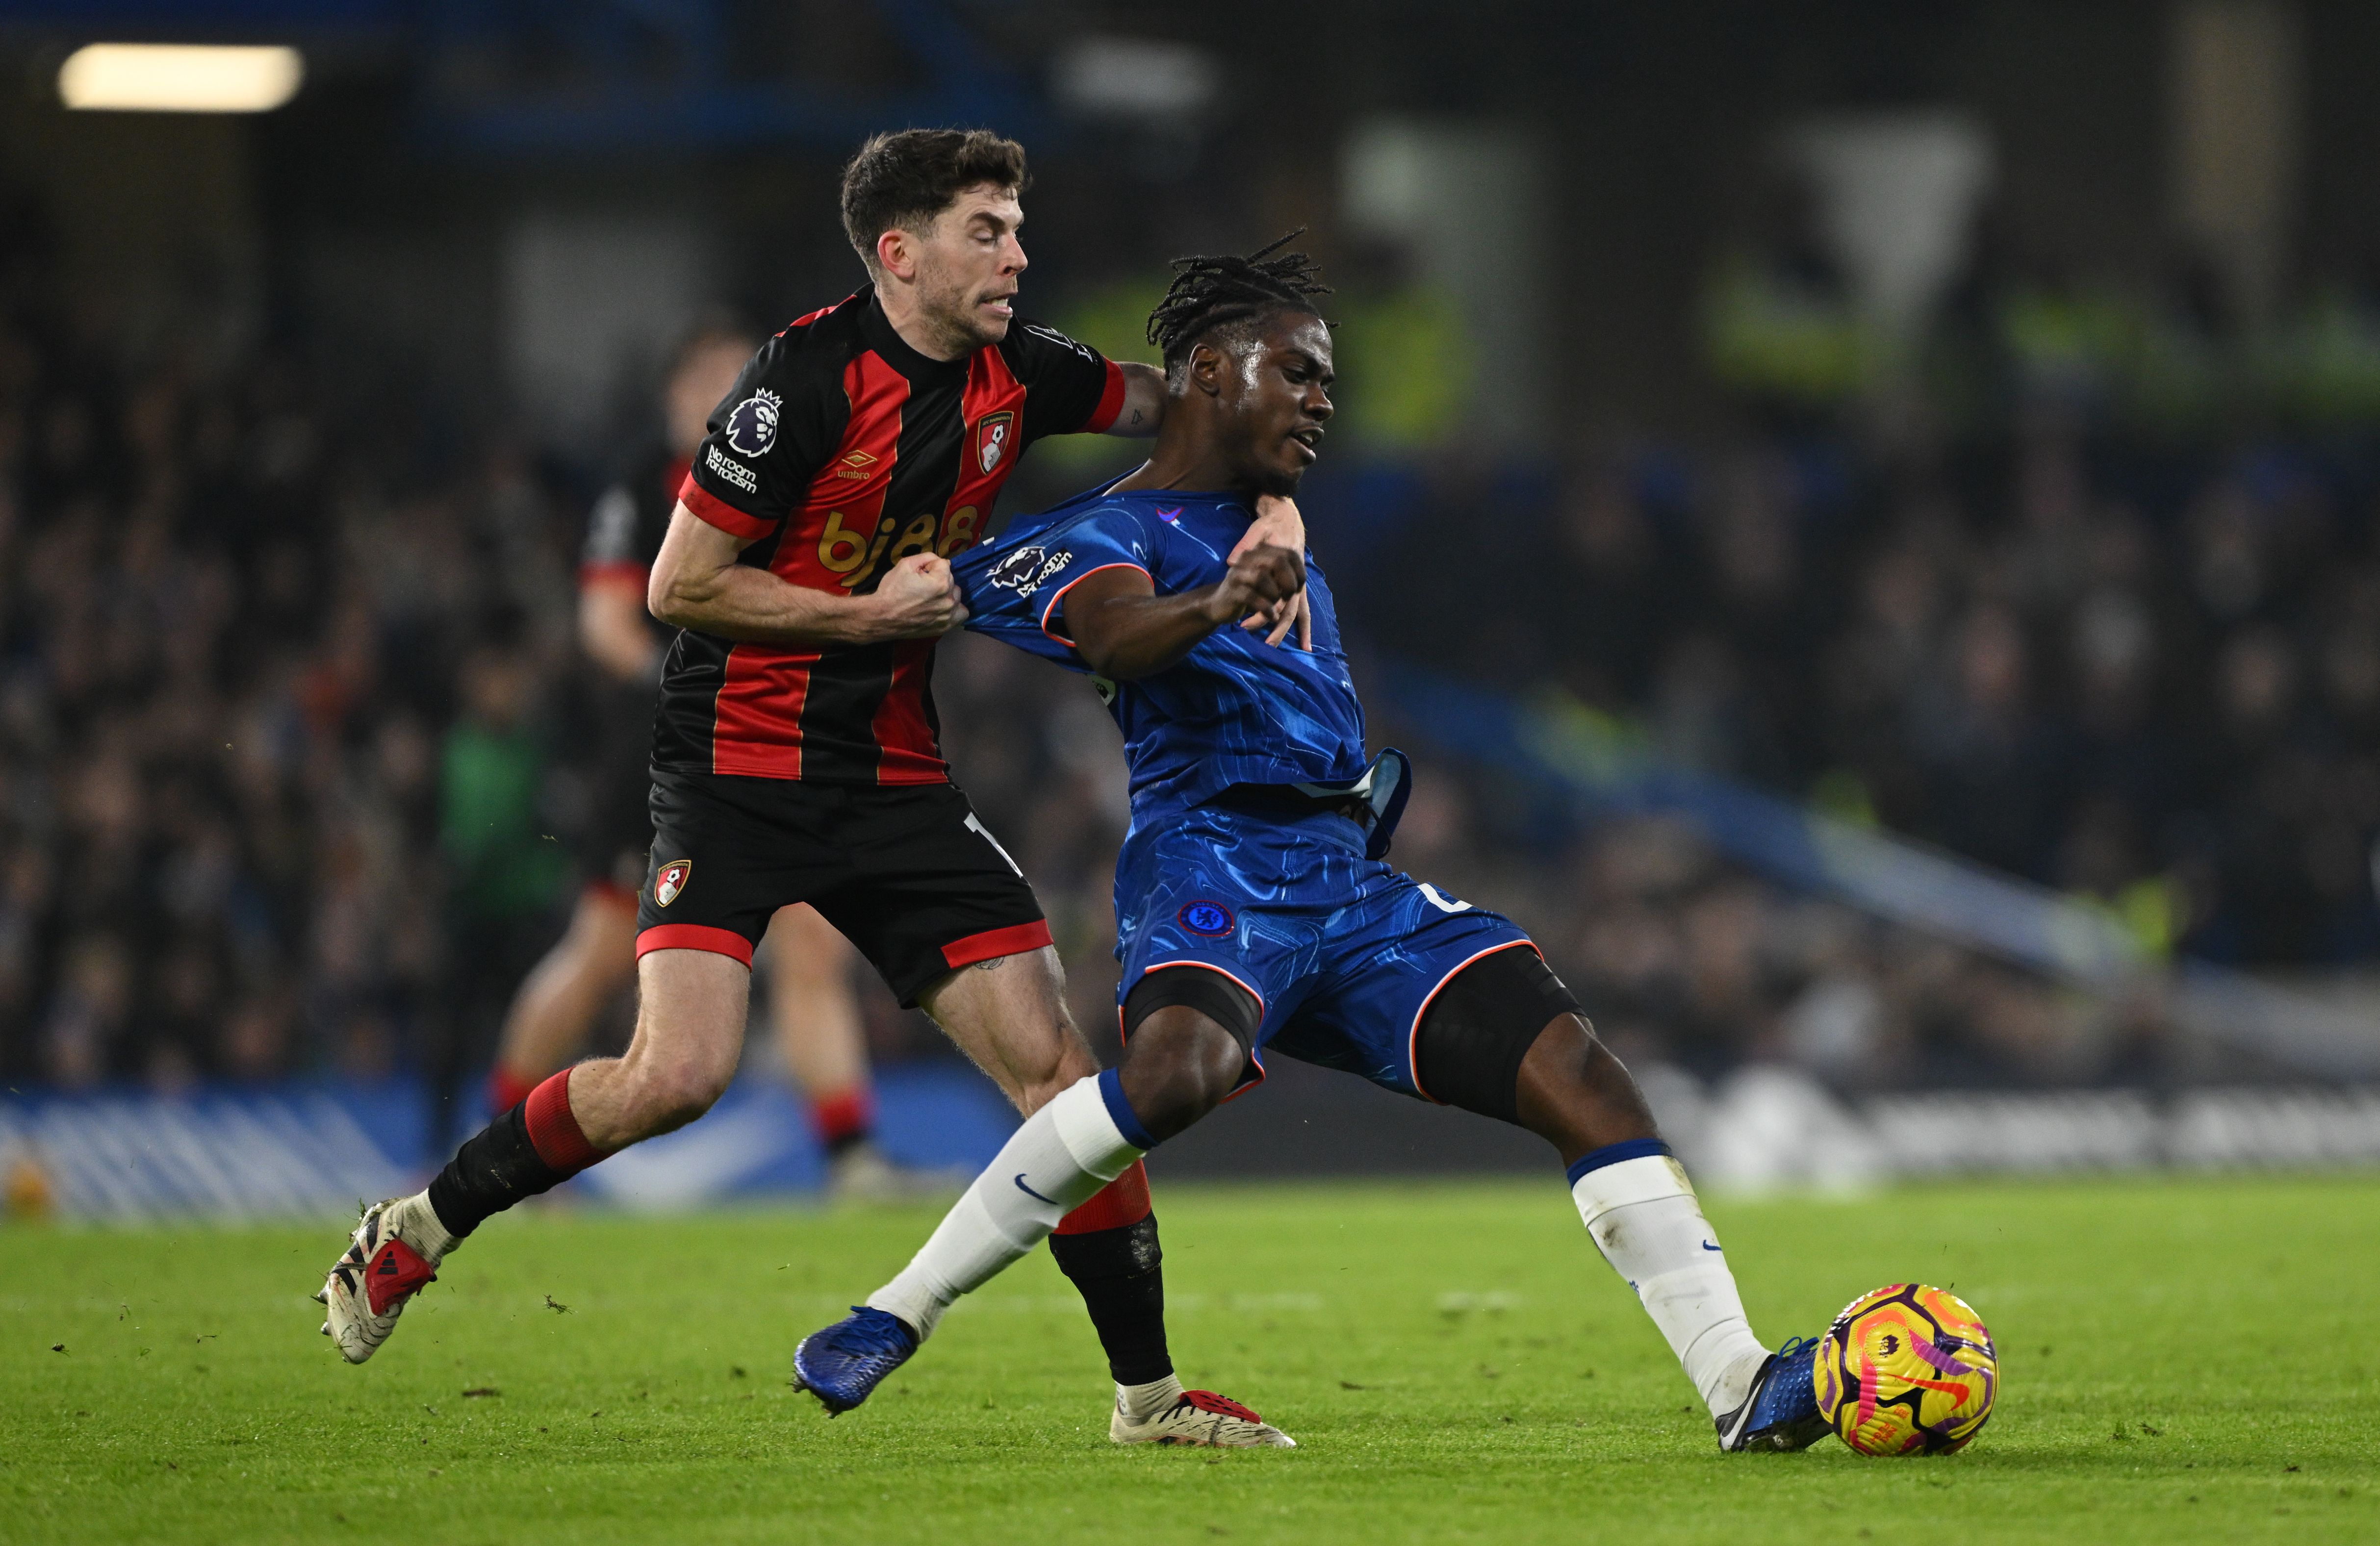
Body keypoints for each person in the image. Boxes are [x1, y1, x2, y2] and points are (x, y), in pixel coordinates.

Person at [318, 130, 1303, 1448]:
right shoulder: (800, 383)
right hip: (732, 771)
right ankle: (417, 1227)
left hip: (891, 780)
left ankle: (1146, 1400)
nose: (1016, 252)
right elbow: (679, 589)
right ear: (898, 254)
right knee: (677, 1073)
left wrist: (1273, 499)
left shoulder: (1027, 369)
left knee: (1061, 1080)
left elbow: (1177, 414)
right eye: (984, 230)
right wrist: (866, 614)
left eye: (1015, 227)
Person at [790, 239, 1836, 1453]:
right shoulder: (1097, 536)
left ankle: (1741, 1383)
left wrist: (1262, 546)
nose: (1325, 400)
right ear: (1208, 372)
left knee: (1582, 1072)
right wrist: (1226, 597)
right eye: (1297, 372)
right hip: (1214, 863)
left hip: (1352, 887)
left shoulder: (1268, 519)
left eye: (1328, 379)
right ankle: (897, 1310)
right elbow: (1118, 638)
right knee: (1176, 1076)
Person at [486, 323, 939, 1200]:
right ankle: (499, 1145)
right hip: (670, 758)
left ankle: (852, 1158)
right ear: (671, 398)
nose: (721, 396)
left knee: (812, 945)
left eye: (734, 379)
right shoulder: (640, 485)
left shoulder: (792, 483)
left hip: (778, 745)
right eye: (702, 381)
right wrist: (690, 686)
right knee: (599, 954)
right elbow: (606, 622)